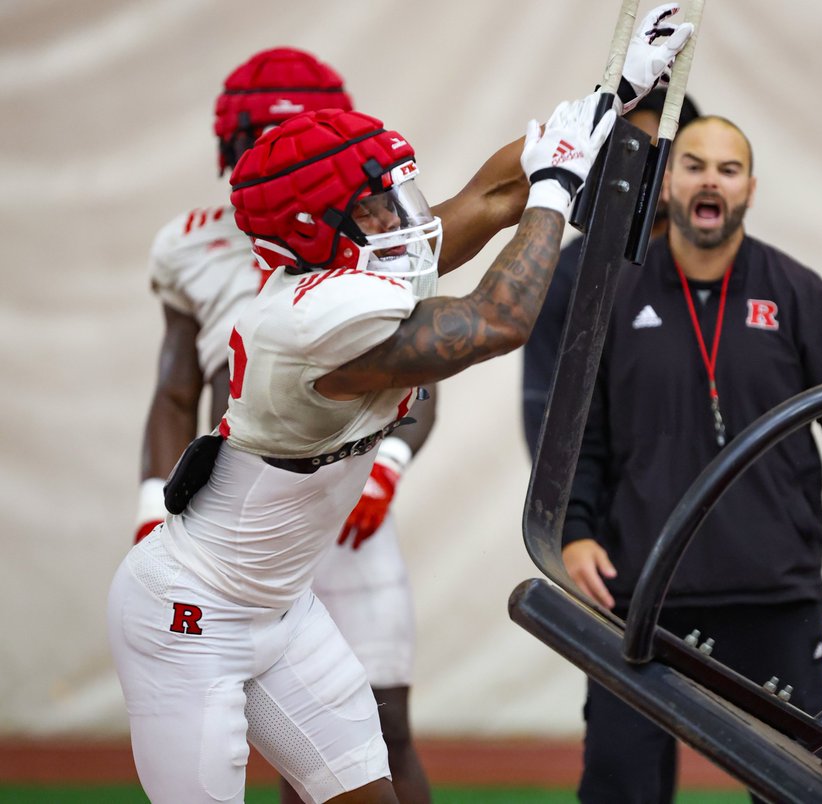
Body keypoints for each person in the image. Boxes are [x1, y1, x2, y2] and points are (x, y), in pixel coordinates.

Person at [107, 11, 691, 803]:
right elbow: (496, 320)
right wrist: (559, 187)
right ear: (320, 227)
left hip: (282, 608)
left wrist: (614, 95)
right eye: (380, 201)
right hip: (189, 614)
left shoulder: (348, 269)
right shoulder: (310, 322)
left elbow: (491, 194)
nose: (405, 212)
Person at [561, 115, 822, 804]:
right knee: (618, 787)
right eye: (693, 164)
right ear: (666, 183)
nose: (710, 178)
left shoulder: (796, 291)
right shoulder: (616, 294)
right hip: (642, 599)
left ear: (749, 188)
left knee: (794, 794)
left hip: (773, 595)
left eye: (728, 167)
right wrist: (574, 531)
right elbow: (581, 436)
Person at [135, 47, 435, 804]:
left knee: (375, 732)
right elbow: (177, 391)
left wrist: (391, 467)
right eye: (262, 143)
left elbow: (428, 367)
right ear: (232, 149)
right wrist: (150, 506)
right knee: (269, 743)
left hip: (340, 509)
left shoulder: (371, 233)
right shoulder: (189, 244)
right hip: (241, 521)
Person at [521, 87, 700, 457]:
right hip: (614, 504)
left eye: (679, 157)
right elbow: (545, 413)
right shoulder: (571, 274)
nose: (662, 172)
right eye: (644, 154)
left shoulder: (732, 270)